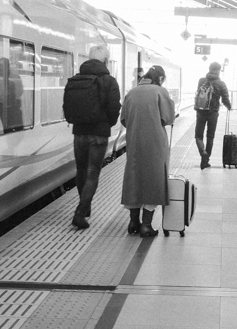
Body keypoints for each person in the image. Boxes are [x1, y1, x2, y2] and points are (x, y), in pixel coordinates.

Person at [63, 44, 121, 230]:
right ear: (105, 61)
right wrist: (108, 124)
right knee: (92, 172)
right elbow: (114, 108)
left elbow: (67, 106)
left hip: (79, 132)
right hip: (99, 134)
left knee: (81, 170)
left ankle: (84, 206)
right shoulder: (109, 81)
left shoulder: (77, 78)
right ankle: (80, 212)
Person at [121, 65, 175, 236]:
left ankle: (133, 223)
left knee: (134, 177)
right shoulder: (160, 92)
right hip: (155, 142)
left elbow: (123, 119)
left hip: (134, 141)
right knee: (154, 179)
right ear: (159, 78)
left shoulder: (131, 92)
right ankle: (146, 225)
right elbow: (168, 118)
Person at [193, 61, 232, 169]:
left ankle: (202, 153)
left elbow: (199, 94)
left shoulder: (201, 81)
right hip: (213, 113)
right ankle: (205, 160)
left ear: (209, 69)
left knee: (198, 136)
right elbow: (225, 99)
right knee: (210, 137)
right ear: (218, 71)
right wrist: (229, 106)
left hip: (200, 111)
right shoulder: (221, 83)